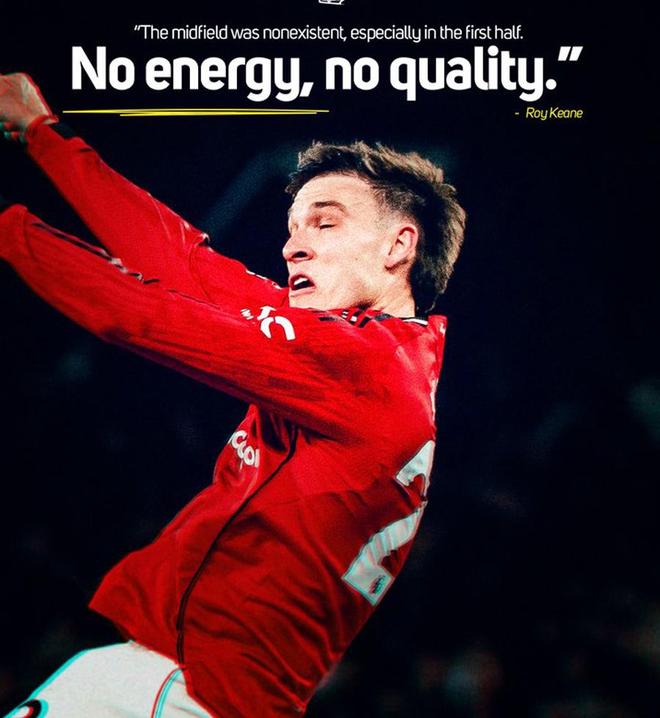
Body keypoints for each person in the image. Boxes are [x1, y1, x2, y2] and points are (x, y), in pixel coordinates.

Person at [0, 73, 466, 717]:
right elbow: (181, 263)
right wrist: (42, 132)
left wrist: (8, 226)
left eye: (325, 223)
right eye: (293, 227)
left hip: (182, 692)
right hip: (180, 686)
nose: (293, 245)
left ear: (399, 245)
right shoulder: (373, 356)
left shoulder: (365, 366)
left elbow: (138, 314)